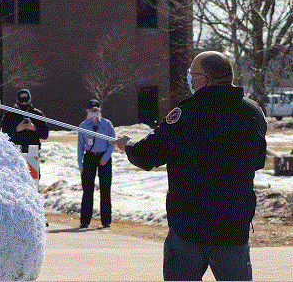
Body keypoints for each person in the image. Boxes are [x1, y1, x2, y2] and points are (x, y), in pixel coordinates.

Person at [113, 51, 267, 281]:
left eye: (191, 74)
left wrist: (129, 146)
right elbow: (258, 161)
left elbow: (148, 155)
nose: (189, 79)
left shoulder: (186, 113)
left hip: (189, 227)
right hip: (233, 225)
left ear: (203, 80)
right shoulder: (252, 112)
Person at [76, 99, 115, 229]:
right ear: (87, 111)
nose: (94, 113)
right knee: (88, 190)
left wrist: (106, 156)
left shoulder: (106, 124)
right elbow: (80, 145)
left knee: (105, 189)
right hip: (89, 158)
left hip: (104, 158)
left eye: (96, 110)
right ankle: (85, 220)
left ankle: (106, 221)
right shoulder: (83, 125)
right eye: (91, 110)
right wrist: (80, 163)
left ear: (99, 111)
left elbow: (112, 142)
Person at [0, 89, 49, 154]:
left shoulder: (37, 114)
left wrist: (34, 128)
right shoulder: (9, 115)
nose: (23, 103)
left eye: (26, 101)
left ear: (30, 99)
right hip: (14, 150)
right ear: (17, 100)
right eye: (21, 101)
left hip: (32, 150)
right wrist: (16, 129)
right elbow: (2, 134)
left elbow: (45, 135)